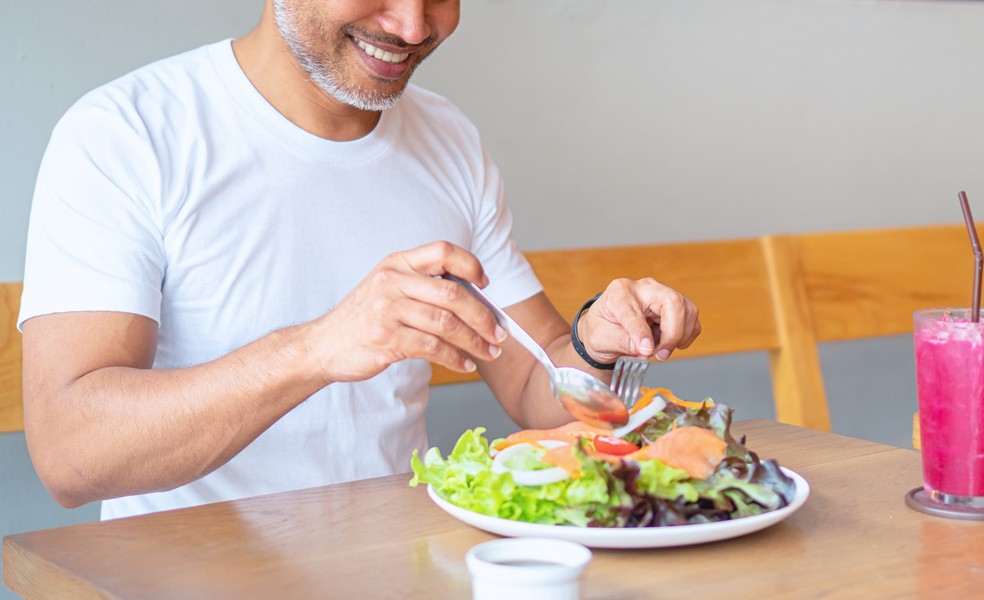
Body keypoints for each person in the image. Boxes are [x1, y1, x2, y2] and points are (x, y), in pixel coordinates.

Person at [18, 0, 701, 520]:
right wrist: (318, 348)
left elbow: (532, 382)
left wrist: (593, 342)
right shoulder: (126, 135)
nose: (412, 25)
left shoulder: (449, 139)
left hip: (402, 568)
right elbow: (70, 455)